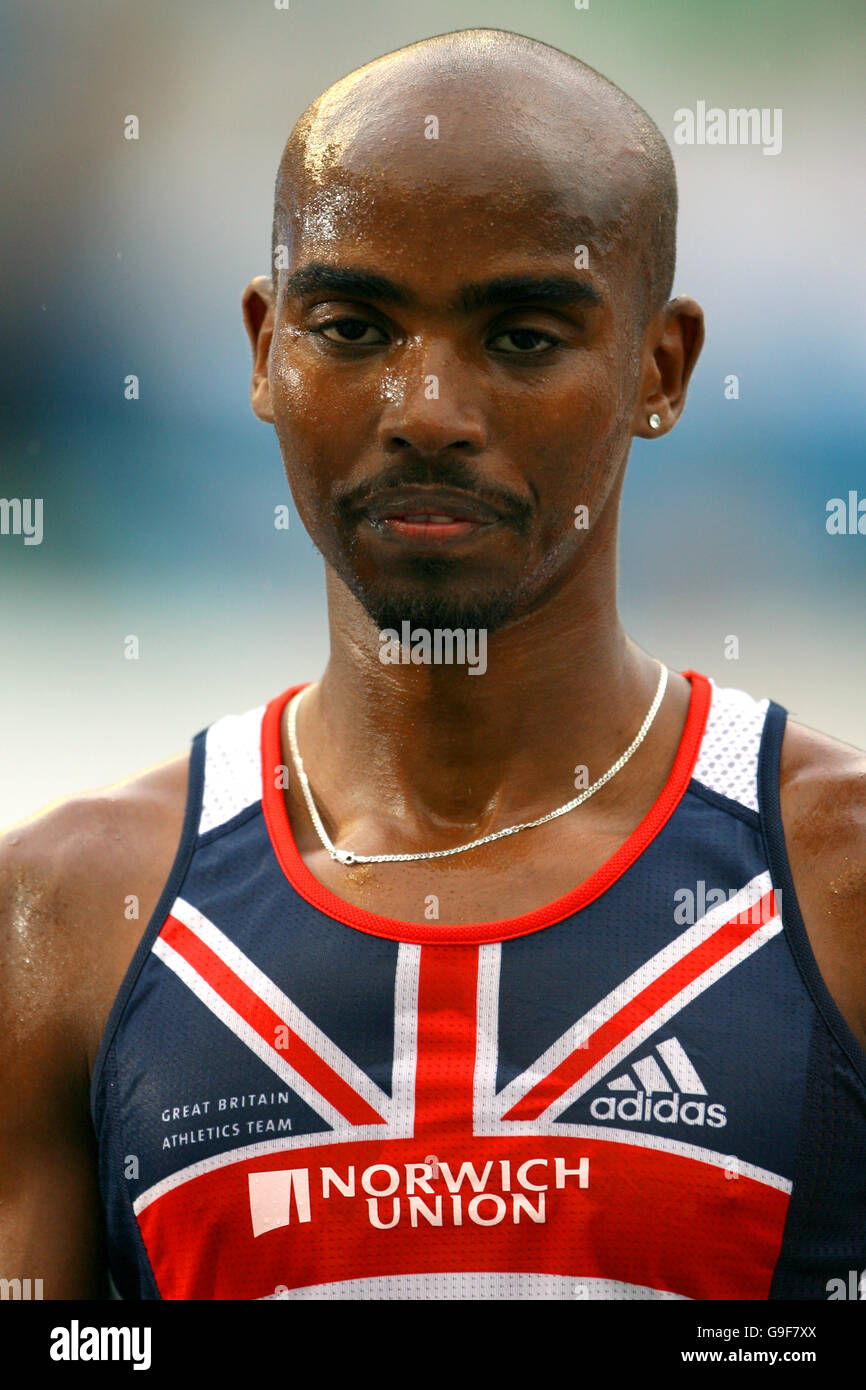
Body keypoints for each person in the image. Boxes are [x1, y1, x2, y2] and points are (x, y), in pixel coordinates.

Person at [2, 27, 864, 1302]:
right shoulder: (66, 923)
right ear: (263, 347)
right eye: (352, 326)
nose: (424, 410)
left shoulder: (830, 888)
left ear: (658, 367)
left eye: (519, 337)